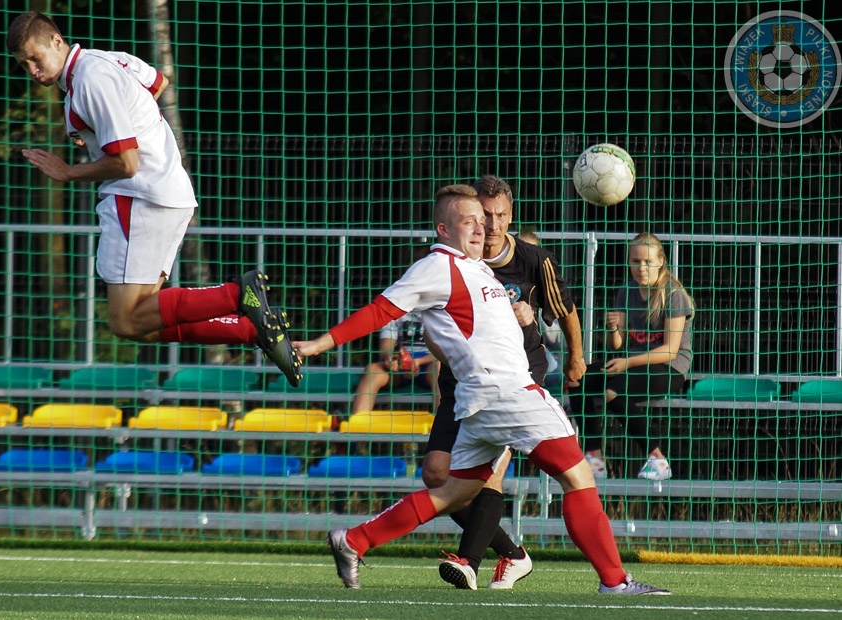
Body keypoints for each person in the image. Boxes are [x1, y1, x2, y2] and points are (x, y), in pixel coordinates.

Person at [293, 184, 669, 595]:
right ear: (443, 229)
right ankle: (615, 582)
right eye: (468, 221)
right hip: (505, 393)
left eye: (484, 219)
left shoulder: (477, 268)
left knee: (452, 491)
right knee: (578, 477)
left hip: (481, 402)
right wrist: (318, 344)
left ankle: (354, 540)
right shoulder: (437, 266)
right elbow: (380, 310)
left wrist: (523, 320)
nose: (481, 227)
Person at [6, 11, 301, 386]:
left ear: (56, 42)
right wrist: (107, 129)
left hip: (138, 199)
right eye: (22, 64)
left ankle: (237, 294)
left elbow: (126, 163)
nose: (31, 69)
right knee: (144, 324)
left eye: (35, 58)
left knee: (124, 320)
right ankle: (250, 331)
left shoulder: (91, 80)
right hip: (167, 193)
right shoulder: (107, 60)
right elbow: (158, 83)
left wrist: (68, 172)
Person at [425, 175, 587, 590]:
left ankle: (467, 561)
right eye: (484, 215)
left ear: (510, 217)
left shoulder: (534, 260)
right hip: (463, 378)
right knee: (437, 478)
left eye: (500, 216)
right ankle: (513, 554)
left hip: (518, 374)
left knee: (491, 474)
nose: (491, 225)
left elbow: (565, 310)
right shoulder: (453, 262)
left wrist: (575, 356)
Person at [569, 232, 694, 481]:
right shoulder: (627, 291)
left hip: (669, 369)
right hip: (632, 365)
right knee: (577, 378)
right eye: (636, 261)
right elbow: (619, 345)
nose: (641, 267)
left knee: (613, 391)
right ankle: (594, 459)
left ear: (661, 261)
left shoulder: (673, 294)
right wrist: (614, 328)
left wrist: (626, 362)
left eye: (647, 261)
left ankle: (657, 459)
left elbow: (670, 350)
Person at [350, 312, 437, 415]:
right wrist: (391, 358)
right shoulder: (394, 308)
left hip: (430, 364)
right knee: (373, 370)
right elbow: (386, 346)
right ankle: (358, 422)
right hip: (400, 364)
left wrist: (419, 362)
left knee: (440, 368)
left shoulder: (442, 310)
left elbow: (447, 351)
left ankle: (444, 427)